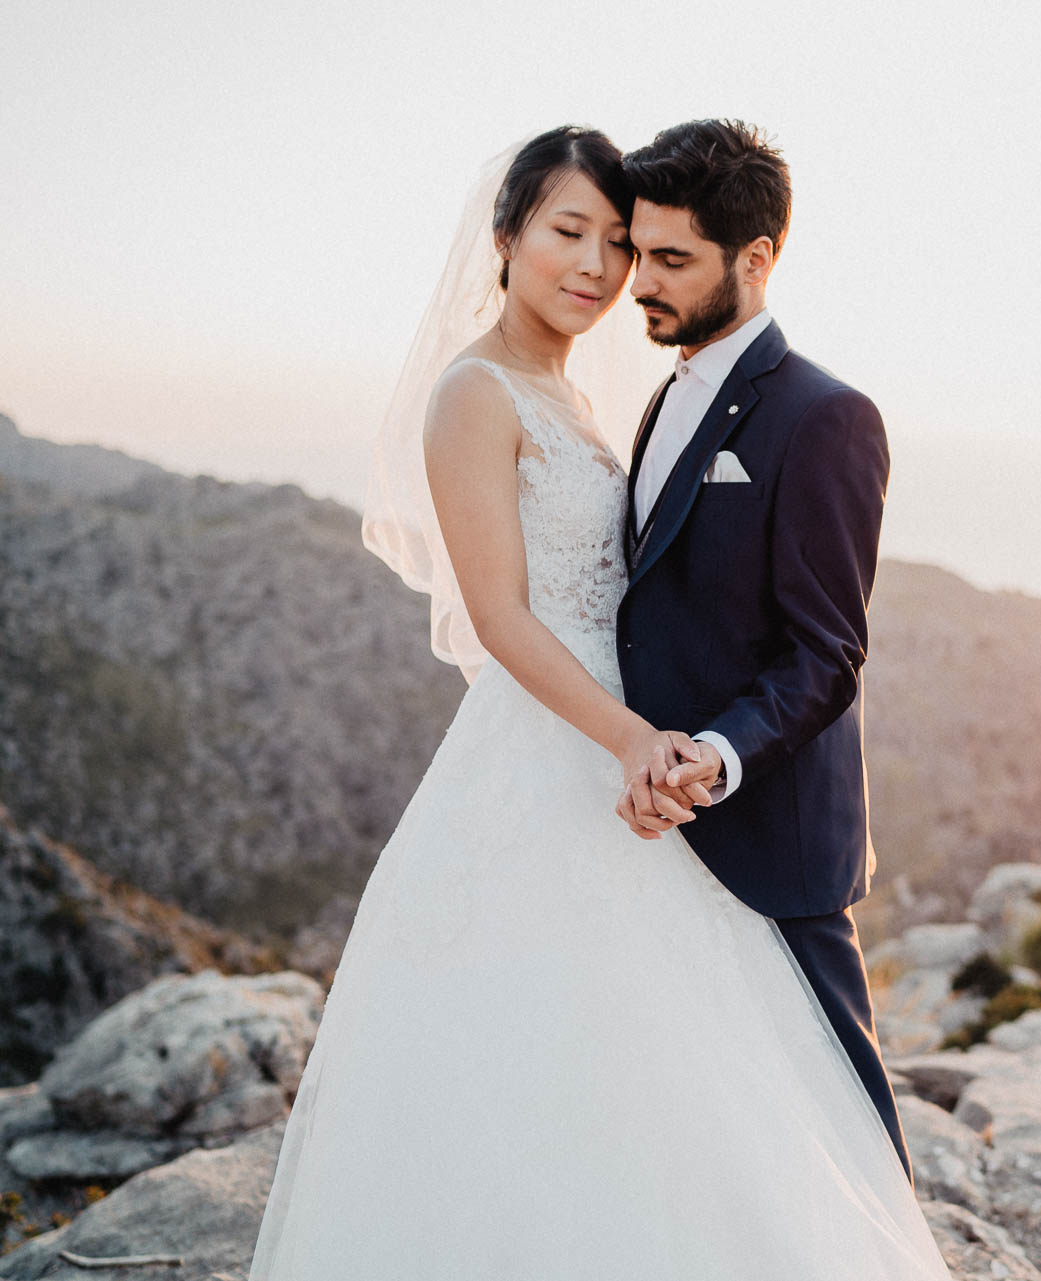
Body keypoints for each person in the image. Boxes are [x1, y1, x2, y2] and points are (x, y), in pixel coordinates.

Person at [245, 124, 952, 1280]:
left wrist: (677, 753)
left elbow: (818, 645)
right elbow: (500, 613)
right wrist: (634, 740)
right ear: (507, 236)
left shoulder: (605, 396)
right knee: (546, 1049)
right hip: (567, 752)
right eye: (573, 234)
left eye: (627, 246)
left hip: (672, 775)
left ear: (751, 259)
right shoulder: (474, 394)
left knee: (708, 1062)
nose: (606, 271)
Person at [609, 117, 913, 1180]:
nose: (639, 281)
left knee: (843, 1124)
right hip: (656, 823)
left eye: (672, 261)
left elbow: (828, 652)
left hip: (772, 833)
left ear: (756, 259)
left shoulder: (826, 416)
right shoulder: (666, 391)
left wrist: (718, 755)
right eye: (639, 251)